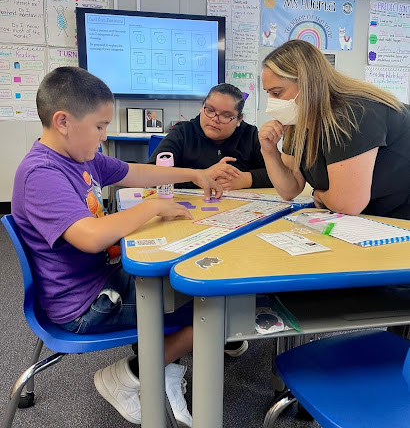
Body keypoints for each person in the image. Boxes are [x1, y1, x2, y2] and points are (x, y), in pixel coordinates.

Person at [12, 67, 223, 427]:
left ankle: (164, 366)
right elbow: (91, 235)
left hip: (99, 280)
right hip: (84, 305)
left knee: (184, 278)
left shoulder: (81, 157)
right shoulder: (43, 174)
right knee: (214, 312)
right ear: (63, 121)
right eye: (99, 126)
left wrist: (193, 174)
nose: (104, 135)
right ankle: (129, 376)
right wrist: (152, 206)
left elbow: (135, 172)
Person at [258, 39, 410, 220]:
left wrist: (320, 195)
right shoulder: (298, 121)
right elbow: (290, 189)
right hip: (371, 218)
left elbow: (347, 204)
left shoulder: (352, 114)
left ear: (308, 85)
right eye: (268, 93)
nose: (272, 102)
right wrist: (269, 151)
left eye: (276, 93)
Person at [148, 83, 274, 190]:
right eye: (210, 110)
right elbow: (151, 175)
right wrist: (199, 176)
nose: (215, 119)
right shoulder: (183, 133)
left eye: (225, 115)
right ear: (202, 107)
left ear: (239, 119)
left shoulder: (250, 135)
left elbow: (280, 174)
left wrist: (246, 179)